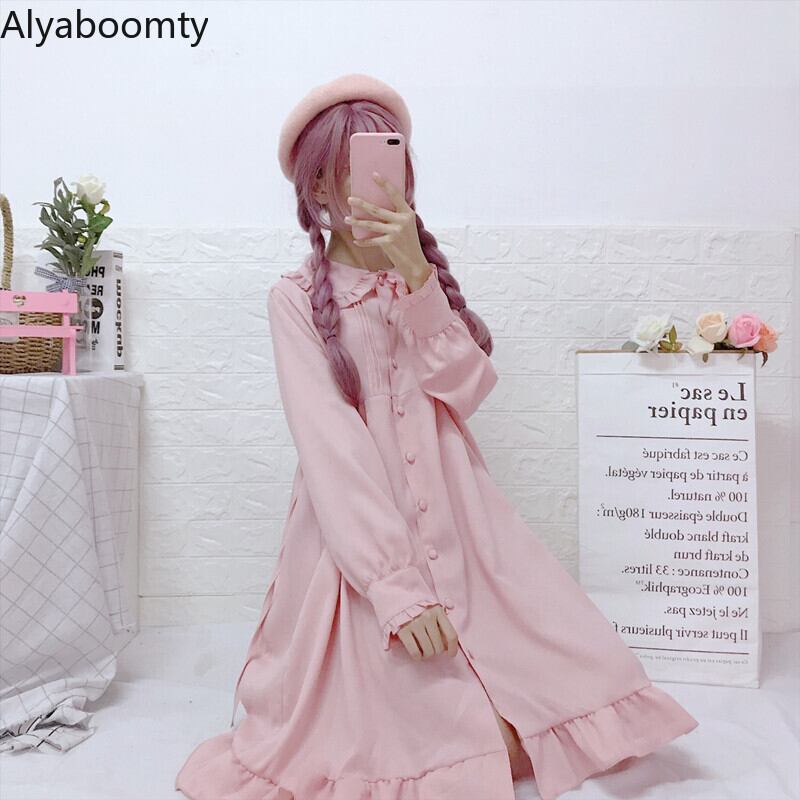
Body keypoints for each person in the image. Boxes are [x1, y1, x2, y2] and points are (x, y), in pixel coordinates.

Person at [175, 73, 699, 800]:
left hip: (463, 519)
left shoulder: (419, 282)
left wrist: (418, 279)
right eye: (333, 175)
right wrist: (393, 586)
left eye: (371, 167)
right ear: (313, 189)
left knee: (569, 668)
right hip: (356, 536)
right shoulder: (293, 301)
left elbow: (467, 389)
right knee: (401, 719)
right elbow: (331, 447)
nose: (353, 190)